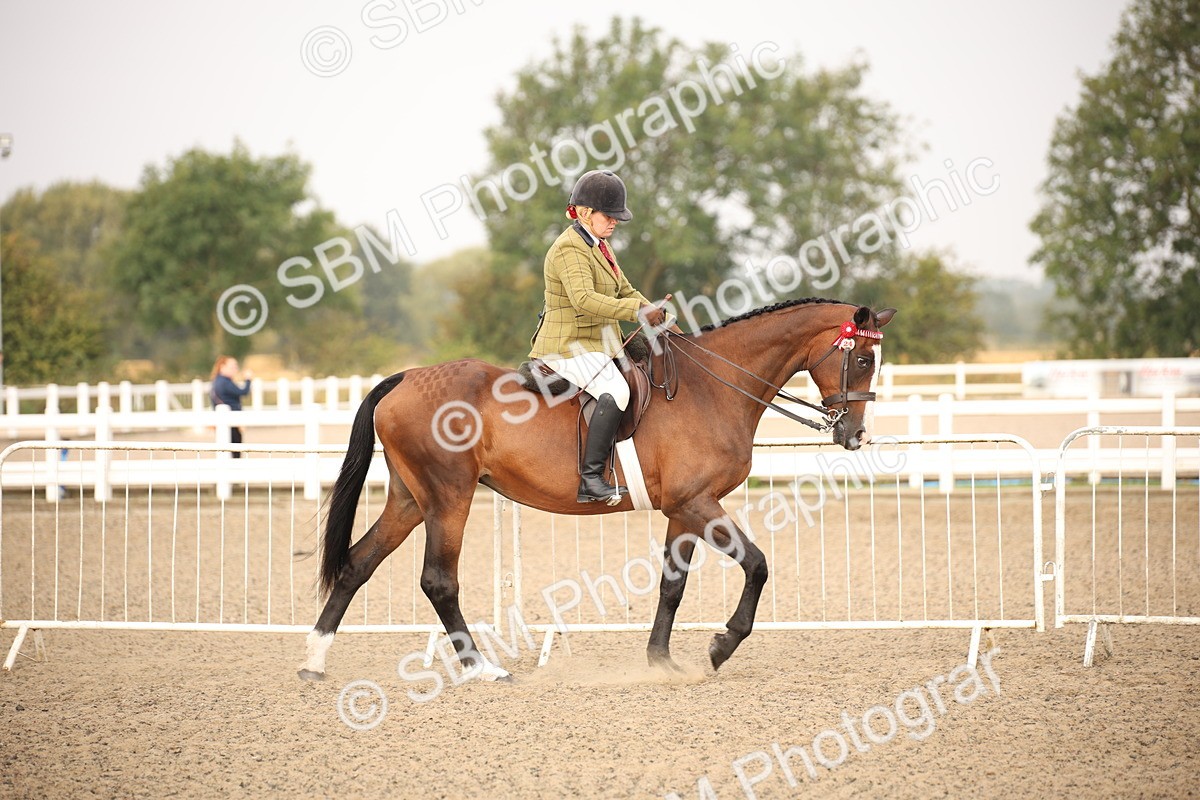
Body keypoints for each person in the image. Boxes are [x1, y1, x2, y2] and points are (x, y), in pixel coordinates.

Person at [529, 169, 674, 503]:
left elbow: (625, 289)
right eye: (609, 216)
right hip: (566, 347)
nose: (614, 223)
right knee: (616, 389)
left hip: (597, 344)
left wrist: (653, 310)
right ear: (583, 212)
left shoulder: (600, 246)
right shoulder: (569, 249)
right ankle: (591, 479)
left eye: (616, 217)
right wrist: (637, 313)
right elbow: (584, 300)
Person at [210, 355, 253, 458]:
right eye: (232, 366)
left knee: (229, 449)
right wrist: (248, 379)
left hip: (227, 420)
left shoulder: (219, 381)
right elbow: (243, 392)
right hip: (231, 420)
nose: (235, 369)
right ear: (222, 367)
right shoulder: (224, 382)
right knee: (235, 450)